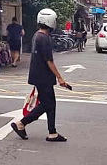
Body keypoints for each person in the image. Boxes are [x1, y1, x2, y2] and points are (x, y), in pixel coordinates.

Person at [11, 8, 69, 142]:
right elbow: (49, 61)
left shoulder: (37, 35)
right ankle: (21, 123)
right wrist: (60, 77)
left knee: (50, 103)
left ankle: (52, 132)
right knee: (47, 104)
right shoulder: (45, 38)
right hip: (44, 76)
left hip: (38, 75)